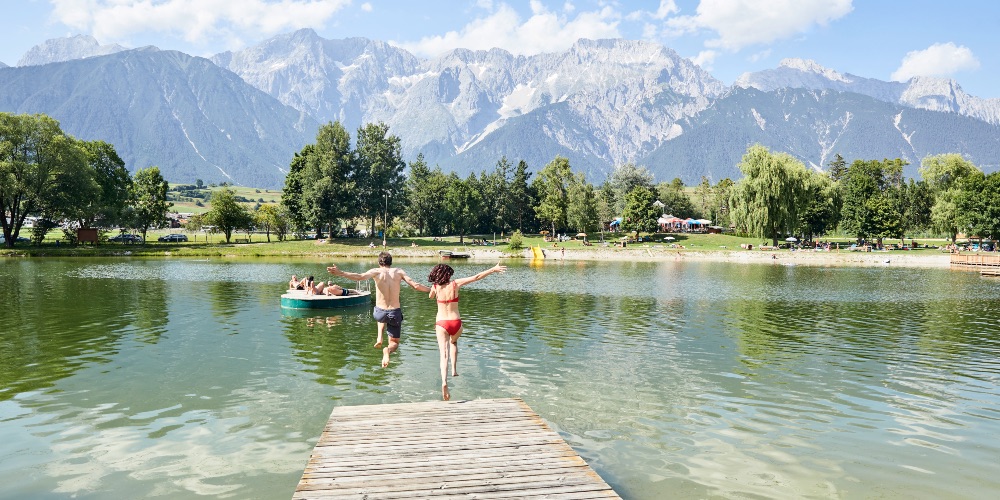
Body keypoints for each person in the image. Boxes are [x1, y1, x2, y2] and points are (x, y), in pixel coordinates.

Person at [327, 252, 429, 367]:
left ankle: (379, 337)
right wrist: (431, 290)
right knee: (394, 343)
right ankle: (387, 350)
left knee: (381, 314)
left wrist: (341, 273)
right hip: (394, 312)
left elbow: (359, 277)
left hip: (380, 313)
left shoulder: (376, 271)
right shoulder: (399, 272)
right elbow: (415, 285)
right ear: (391, 262)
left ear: (379, 262)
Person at [427, 261, 506, 401]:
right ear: (448, 275)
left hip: (441, 323)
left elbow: (430, 297)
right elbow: (476, 277)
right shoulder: (455, 284)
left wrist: (434, 289)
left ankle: (444, 381)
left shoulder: (435, 287)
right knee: (454, 342)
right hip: (456, 322)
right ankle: (455, 369)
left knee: (443, 355)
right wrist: (493, 269)